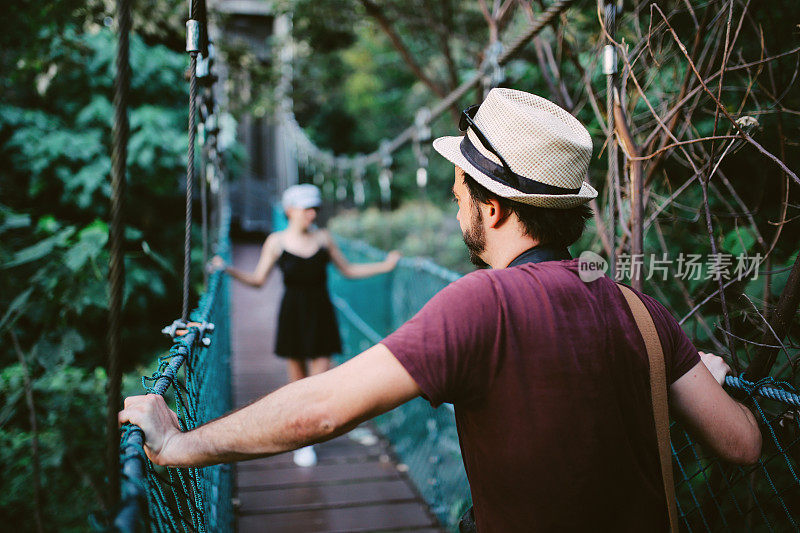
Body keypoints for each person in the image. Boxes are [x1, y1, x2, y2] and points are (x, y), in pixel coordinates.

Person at [121, 89, 761, 531]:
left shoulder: (482, 303)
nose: (458, 210)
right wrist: (693, 374)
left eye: (460, 195)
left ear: (492, 209)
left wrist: (180, 442)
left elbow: (318, 410)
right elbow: (743, 443)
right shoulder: (644, 313)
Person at [210, 183, 400, 466]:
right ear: (289, 211)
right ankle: (302, 442)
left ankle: (308, 437)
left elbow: (347, 270)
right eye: (306, 208)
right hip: (293, 316)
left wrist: (384, 267)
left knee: (319, 384)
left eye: (315, 209)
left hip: (321, 314)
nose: (312, 214)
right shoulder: (275, 242)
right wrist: (229, 270)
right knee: (297, 387)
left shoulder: (323, 238)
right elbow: (258, 280)